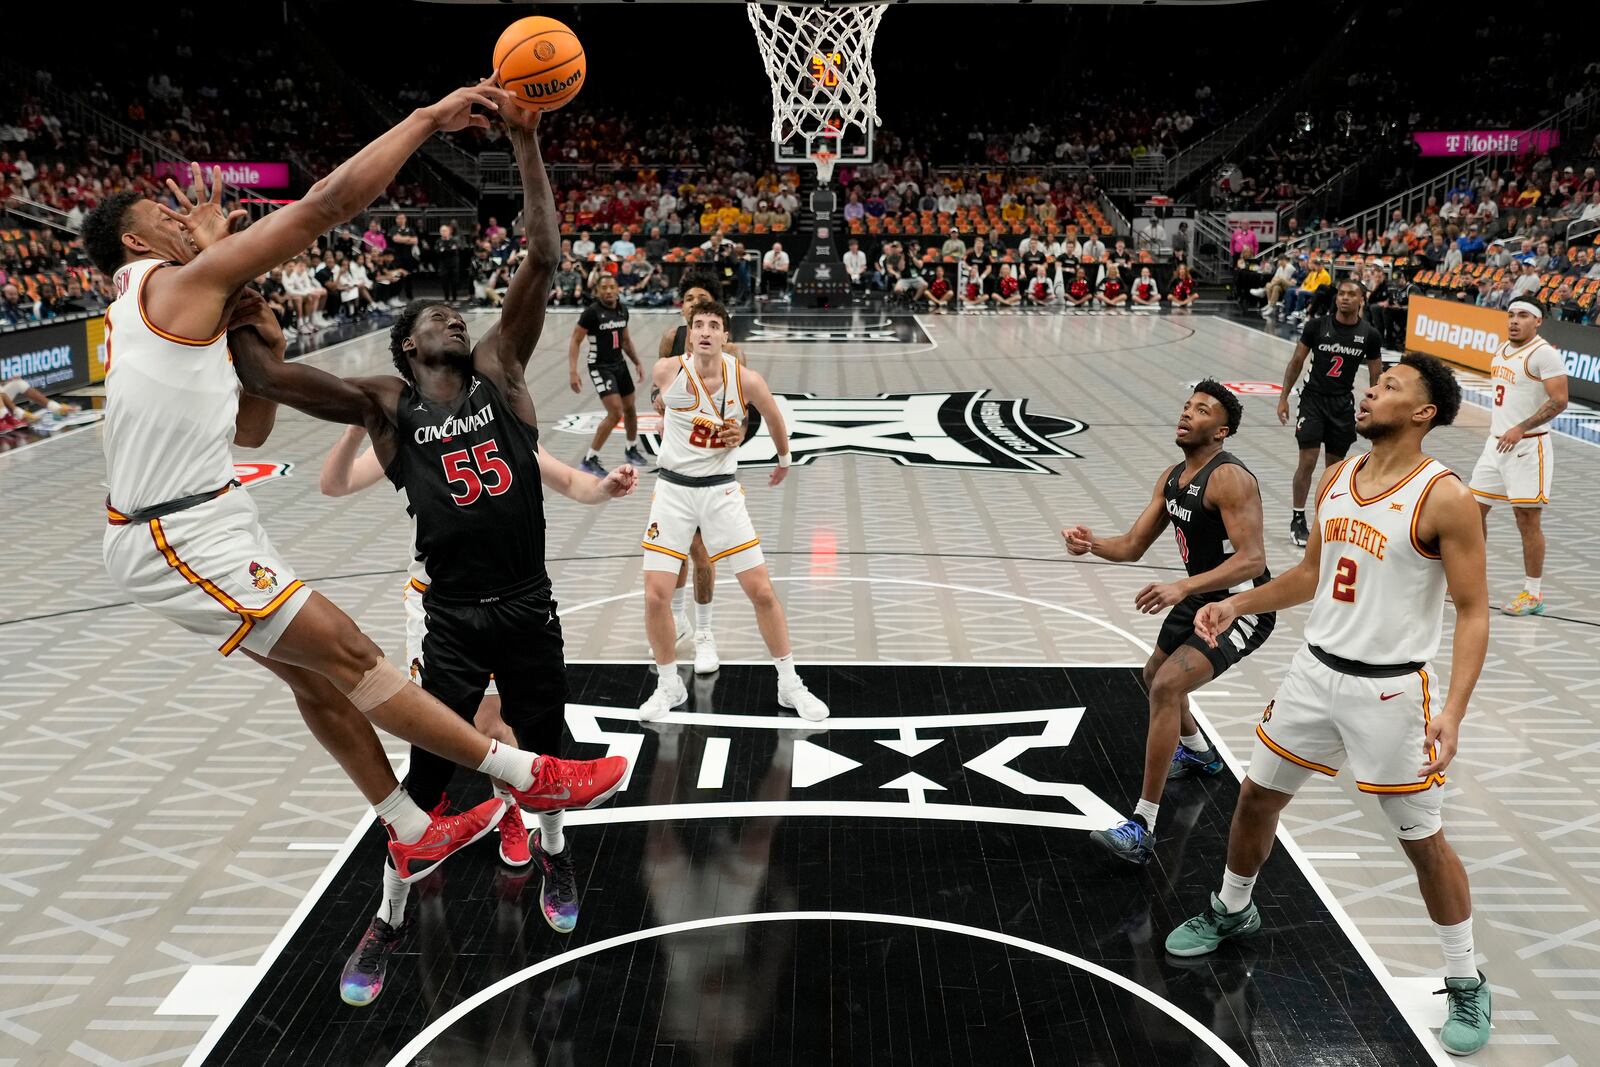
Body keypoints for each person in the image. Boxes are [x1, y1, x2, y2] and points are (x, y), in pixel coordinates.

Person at [92, 94, 630, 1006]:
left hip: (520, 595)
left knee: (339, 685)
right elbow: (299, 284)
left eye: (455, 314)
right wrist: (425, 120)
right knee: (387, 701)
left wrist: (529, 143)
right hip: (403, 595)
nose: (449, 319)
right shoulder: (376, 400)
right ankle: (417, 881)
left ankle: (496, 843)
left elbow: (256, 415)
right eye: (163, 215)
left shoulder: (499, 374)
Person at [1165, 355, 1492, 1059]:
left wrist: (1454, 710)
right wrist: (1236, 600)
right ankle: (1232, 907)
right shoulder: (1339, 478)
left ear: (1425, 412)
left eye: (1390, 387)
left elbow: (1472, 611)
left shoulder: (1444, 497)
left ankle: (1466, 977)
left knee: (1421, 842)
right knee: (1256, 797)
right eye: (1374, 385)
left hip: (1391, 691)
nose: (1371, 392)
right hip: (1315, 674)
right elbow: (1312, 574)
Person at [1064, 382, 1273, 863]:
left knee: (1165, 688)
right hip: (1199, 595)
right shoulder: (1173, 477)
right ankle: (1199, 752)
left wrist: (1183, 586)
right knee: (1151, 676)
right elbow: (1133, 545)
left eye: (1202, 410)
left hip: (1241, 604)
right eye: (1186, 406)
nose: (1187, 414)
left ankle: (1142, 827)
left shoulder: (1230, 479)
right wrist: (1089, 541)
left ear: (1221, 431)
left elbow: (1252, 559)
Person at [637, 300, 827, 722]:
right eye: (698, 325)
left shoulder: (745, 379)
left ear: (726, 336)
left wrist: (782, 459)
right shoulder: (667, 371)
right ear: (689, 332)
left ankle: (789, 684)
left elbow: (775, 417)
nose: (705, 331)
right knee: (656, 595)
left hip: (721, 492)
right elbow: (660, 401)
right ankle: (668, 685)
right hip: (673, 491)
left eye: (714, 325)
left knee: (761, 590)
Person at [655, 270, 755, 674]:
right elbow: (656, 393)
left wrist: (739, 432)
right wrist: (661, 404)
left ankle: (705, 634)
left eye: (703, 299)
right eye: (690, 299)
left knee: (700, 554)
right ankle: (679, 622)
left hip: (713, 469)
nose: (695, 304)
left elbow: (746, 414)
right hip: (676, 464)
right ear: (683, 309)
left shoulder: (734, 355)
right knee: (674, 553)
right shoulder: (669, 342)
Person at [1468, 300, 1568, 615]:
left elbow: (1560, 400)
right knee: (1470, 513)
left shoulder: (1544, 354)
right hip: (1495, 444)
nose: (1514, 321)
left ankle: (1533, 593)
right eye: (1511, 315)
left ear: (1537, 321)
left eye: (1522, 315)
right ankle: (1471, 576)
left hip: (1527, 446)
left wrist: (1521, 427)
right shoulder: (1502, 349)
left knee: (1526, 520)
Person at [1277, 279, 1383, 547]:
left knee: (1334, 469)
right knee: (1308, 461)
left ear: (1362, 300)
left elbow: (1376, 375)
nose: (1345, 298)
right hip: (1312, 400)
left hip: (1341, 404)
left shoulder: (1369, 334)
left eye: (1352, 294)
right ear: (1336, 298)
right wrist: (1283, 398)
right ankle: (1298, 518)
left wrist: (1376, 408)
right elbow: (1297, 361)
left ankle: (1326, 518)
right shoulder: (1316, 326)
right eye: (1342, 294)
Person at [568, 275, 646, 475]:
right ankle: (589, 459)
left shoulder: (622, 309)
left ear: (618, 289)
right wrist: (573, 371)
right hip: (600, 367)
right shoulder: (591, 313)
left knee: (630, 409)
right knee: (615, 413)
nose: (609, 291)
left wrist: (637, 362)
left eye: (612, 286)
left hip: (619, 364)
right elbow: (575, 341)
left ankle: (631, 448)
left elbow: (626, 340)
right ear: (598, 291)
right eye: (604, 287)